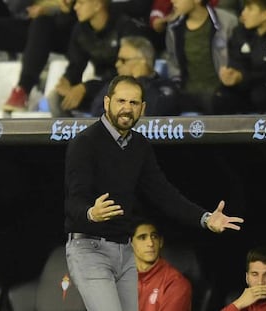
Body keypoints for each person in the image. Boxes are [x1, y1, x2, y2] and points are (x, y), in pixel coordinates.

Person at [64, 75, 244, 311]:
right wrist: (90, 213)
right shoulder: (85, 143)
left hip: (125, 249)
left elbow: (164, 194)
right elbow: (73, 201)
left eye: (134, 103)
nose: (127, 109)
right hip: (89, 248)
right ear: (106, 103)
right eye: (121, 101)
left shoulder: (140, 146)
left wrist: (205, 218)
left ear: (143, 108)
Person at [46, 0, 152, 117]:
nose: (75, 7)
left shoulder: (124, 26)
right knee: (56, 98)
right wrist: (67, 81)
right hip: (99, 87)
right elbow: (76, 65)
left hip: (124, 88)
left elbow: (128, 74)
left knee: (106, 97)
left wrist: (86, 88)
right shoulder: (81, 30)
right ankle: (71, 135)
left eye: (81, 3)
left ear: (97, 5)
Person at [212, 0, 266, 114]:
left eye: (249, 9)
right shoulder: (240, 33)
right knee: (220, 96)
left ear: (265, 14)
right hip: (244, 86)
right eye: (244, 8)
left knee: (260, 96)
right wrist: (230, 74)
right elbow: (236, 62)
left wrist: (243, 77)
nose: (243, 13)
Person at [165, 0, 238, 114]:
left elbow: (240, 59)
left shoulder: (227, 21)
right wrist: (176, 84)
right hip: (186, 93)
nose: (172, 1)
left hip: (221, 93)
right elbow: (172, 60)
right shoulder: (173, 26)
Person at [2, 0, 76, 112]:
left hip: (67, 24)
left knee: (42, 22)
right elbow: (14, 7)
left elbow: (83, 5)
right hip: (33, 21)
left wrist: (50, 10)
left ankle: (23, 89)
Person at [90, 35, 181, 117]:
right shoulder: (114, 85)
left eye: (123, 60)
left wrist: (141, 80)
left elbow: (153, 113)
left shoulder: (165, 87)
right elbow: (96, 112)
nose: (117, 64)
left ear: (142, 62)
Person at [132, 218, 192, 311]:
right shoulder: (120, 278)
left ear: (161, 242)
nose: (150, 243)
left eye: (154, 237)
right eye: (142, 237)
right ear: (131, 243)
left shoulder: (176, 283)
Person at [221, 246, 266, 311]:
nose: (260, 282)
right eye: (255, 274)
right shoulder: (239, 305)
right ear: (247, 278)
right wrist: (238, 304)